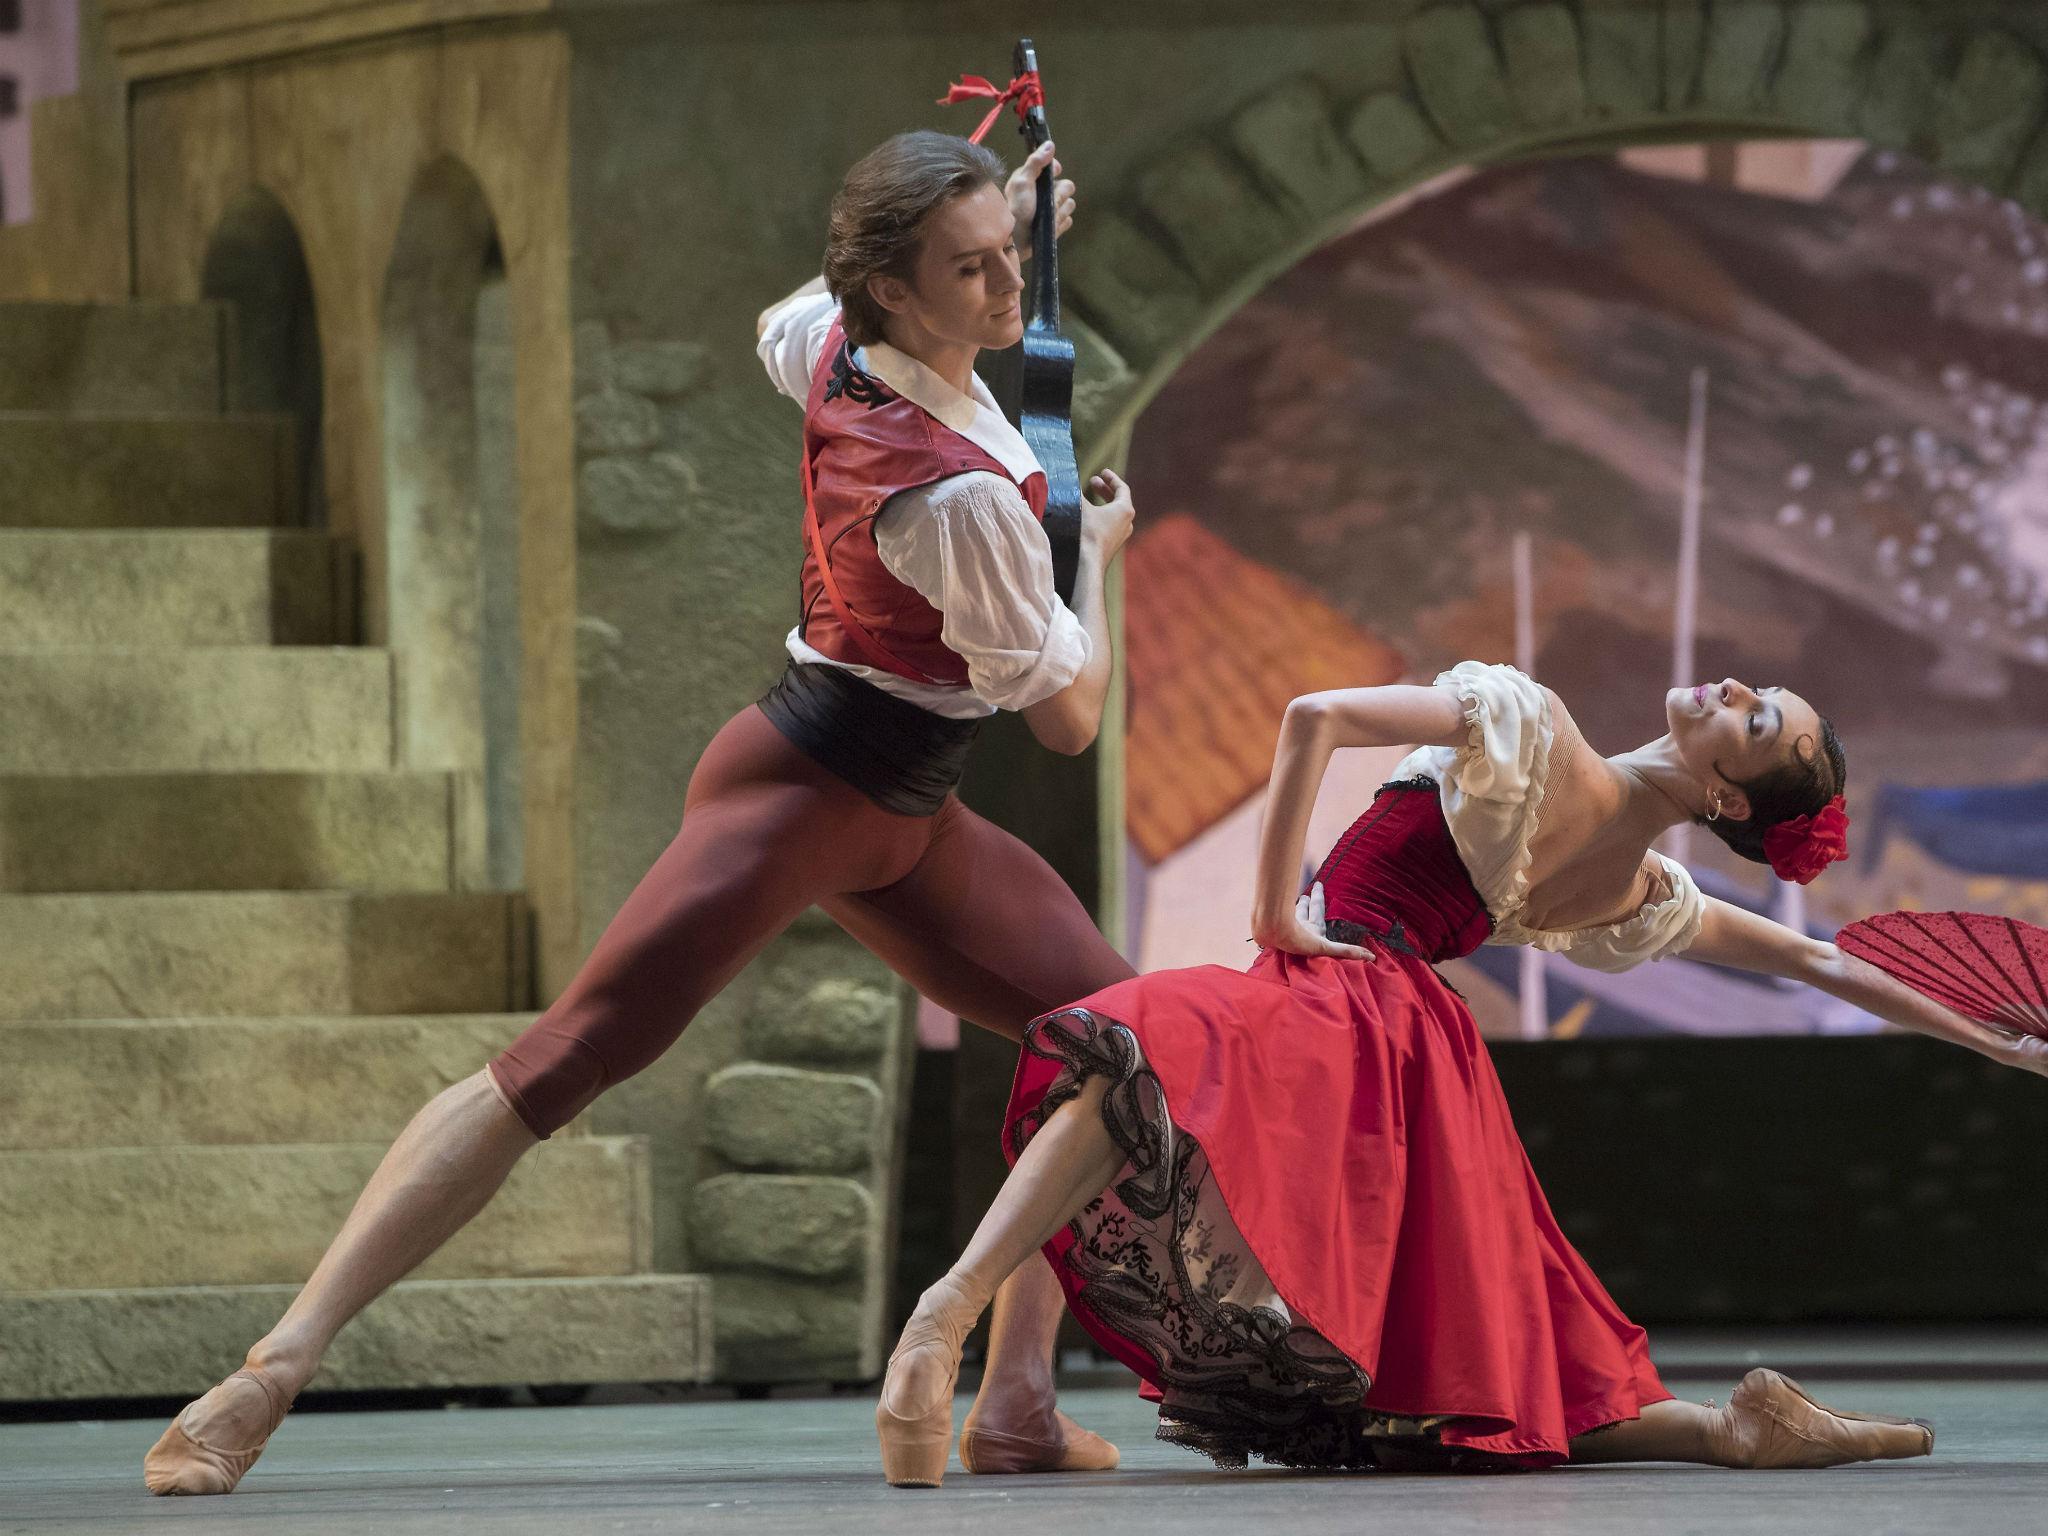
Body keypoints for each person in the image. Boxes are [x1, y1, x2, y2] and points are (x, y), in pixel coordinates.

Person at [145, 128, 1134, 1496]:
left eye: (1010, 256)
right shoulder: (962, 500)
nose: (1007, 287)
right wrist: (1105, 571)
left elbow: (793, 308)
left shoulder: (831, 343)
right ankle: (266, 1372)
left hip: (910, 809)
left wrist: (997, 201)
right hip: (797, 791)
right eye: (970, 269)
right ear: (893, 294)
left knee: (1119, 1047)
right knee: (567, 1058)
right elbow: (1072, 720)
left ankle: (1016, 1398)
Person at [874, 664, 2044, 1485]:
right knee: (1472, 1350)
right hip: (1414, 1046)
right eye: (1755, 692)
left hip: (1353, 992)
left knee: (1133, 1063)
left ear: (1727, 798)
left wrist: (1273, 910)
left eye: (1753, 719)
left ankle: (945, 1315)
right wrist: (1988, 1038)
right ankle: (1722, 1429)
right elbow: (1813, 962)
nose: (1734, 691)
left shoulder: (1529, 725)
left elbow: (1311, 714)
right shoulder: (1634, 891)